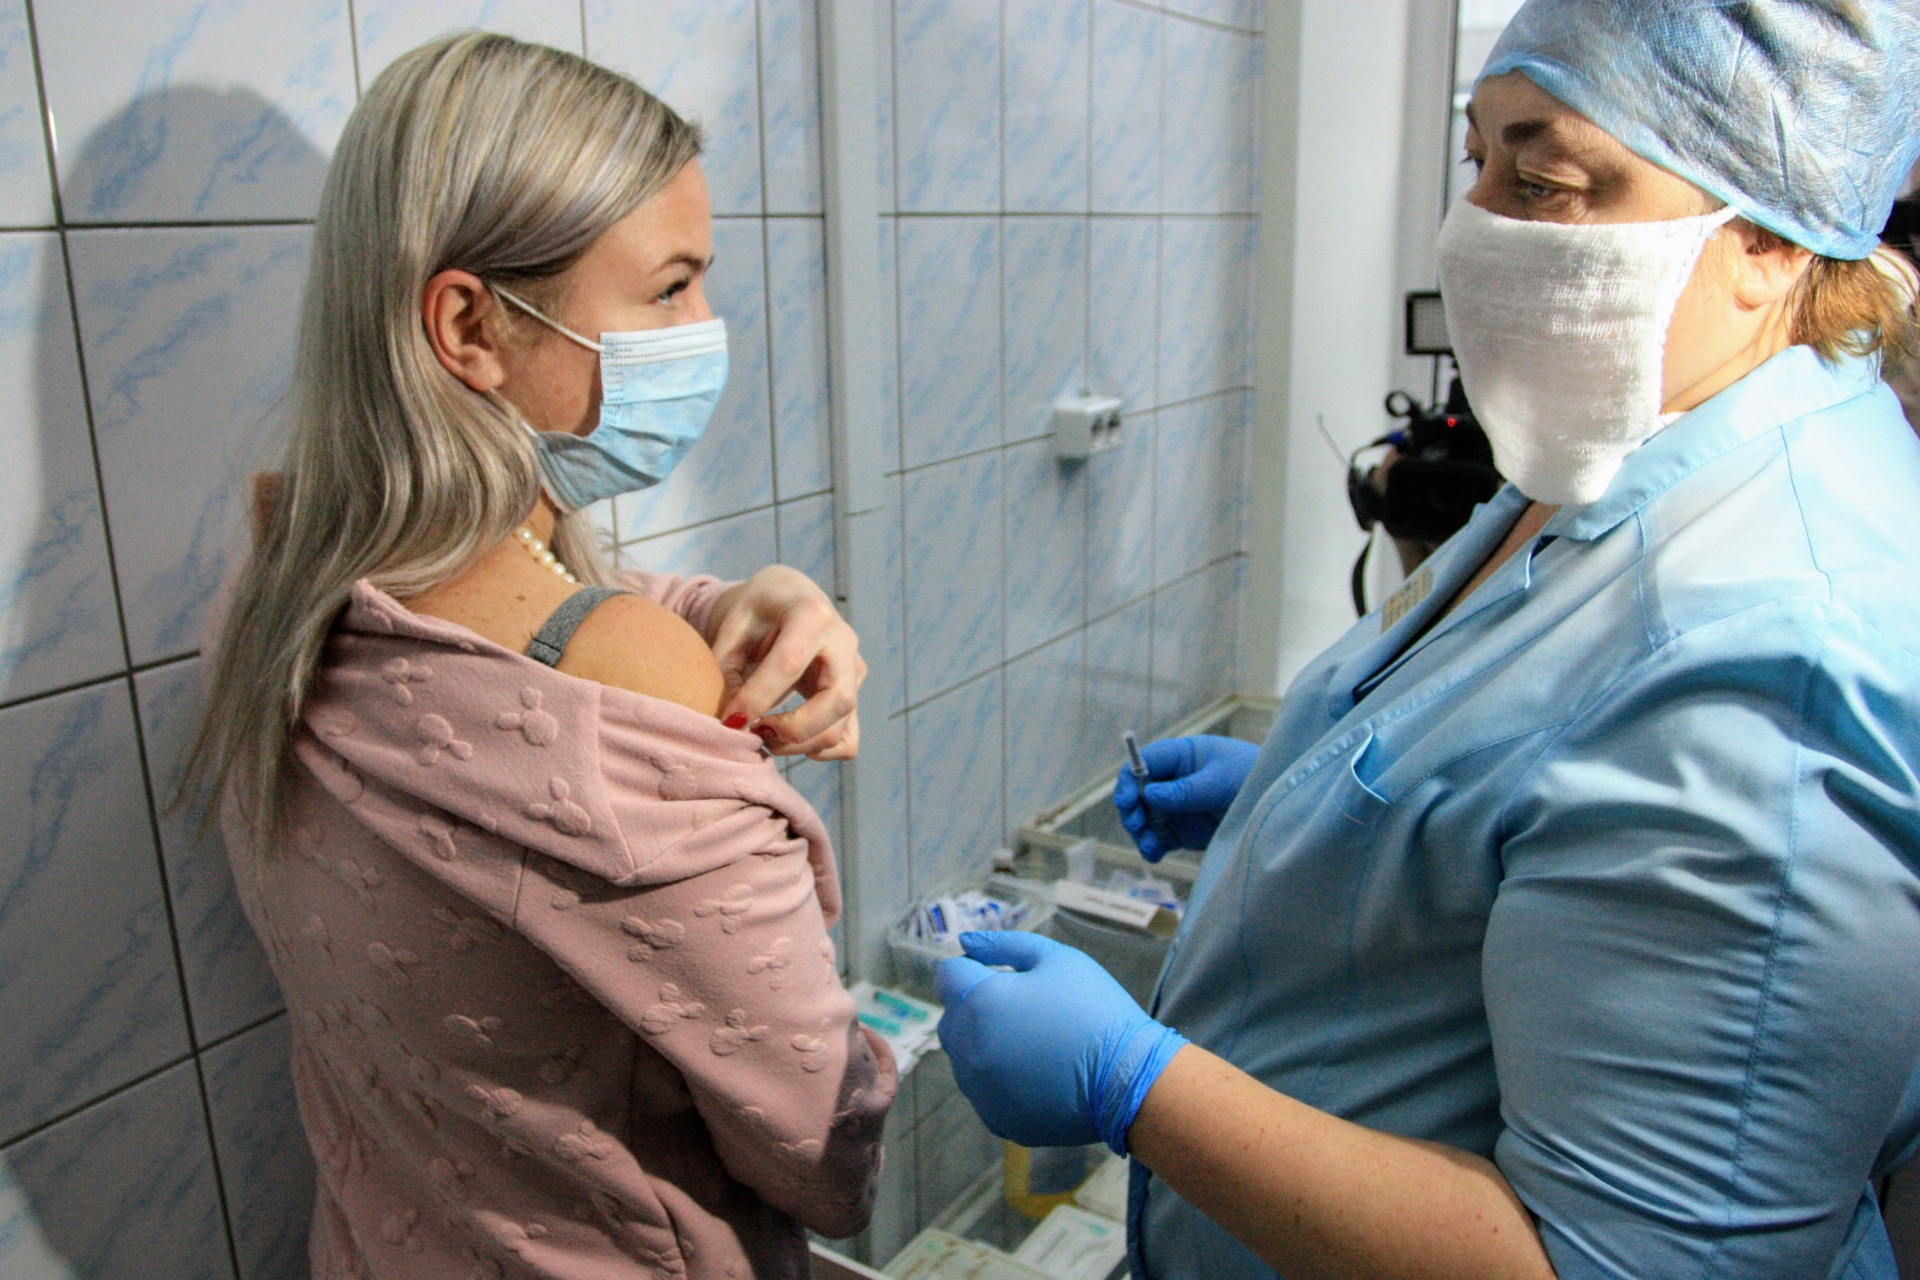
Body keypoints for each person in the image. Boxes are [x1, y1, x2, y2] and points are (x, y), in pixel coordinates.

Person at [935, 3, 1920, 1278]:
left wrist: (1137, 1088)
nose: (1476, 224)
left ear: (1771, 242)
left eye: (1544, 182)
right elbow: (1542, 768)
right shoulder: (1622, 441)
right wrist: (1321, 812)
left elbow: (1610, 1261)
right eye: (1477, 158)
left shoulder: (1785, 655)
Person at [187, 34, 891, 1280]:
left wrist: (741, 597)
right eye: (669, 289)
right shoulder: (624, 680)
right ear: (470, 326)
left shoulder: (279, 588)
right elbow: (825, 1157)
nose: (706, 331)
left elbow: (541, 622)